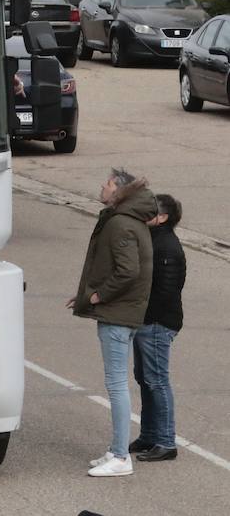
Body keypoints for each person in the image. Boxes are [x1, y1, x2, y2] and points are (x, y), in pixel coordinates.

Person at [68, 168, 157, 477]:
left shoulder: (119, 223)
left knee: (116, 385)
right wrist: (82, 297)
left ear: (119, 191)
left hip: (117, 314)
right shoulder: (127, 220)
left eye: (106, 184)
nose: (101, 187)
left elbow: (128, 271)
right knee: (116, 383)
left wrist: (97, 296)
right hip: (122, 312)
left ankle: (121, 456)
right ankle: (115, 450)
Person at [131, 193, 186, 462]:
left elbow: (165, 290)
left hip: (156, 323)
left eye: (150, 210)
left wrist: (144, 318)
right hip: (148, 321)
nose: (144, 213)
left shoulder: (166, 246)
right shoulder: (154, 239)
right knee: (145, 379)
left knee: (156, 381)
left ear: (162, 217)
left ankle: (165, 441)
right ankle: (150, 435)